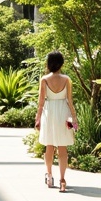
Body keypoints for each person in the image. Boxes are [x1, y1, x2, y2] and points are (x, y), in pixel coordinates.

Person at [35, 51, 78, 192]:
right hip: (63, 113)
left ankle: (49, 176)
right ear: (61, 63)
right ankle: (63, 180)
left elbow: (41, 102)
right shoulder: (67, 79)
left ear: (48, 63)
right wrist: (74, 118)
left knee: (49, 146)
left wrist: (38, 118)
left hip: (49, 113)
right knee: (63, 147)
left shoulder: (44, 80)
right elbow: (69, 101)